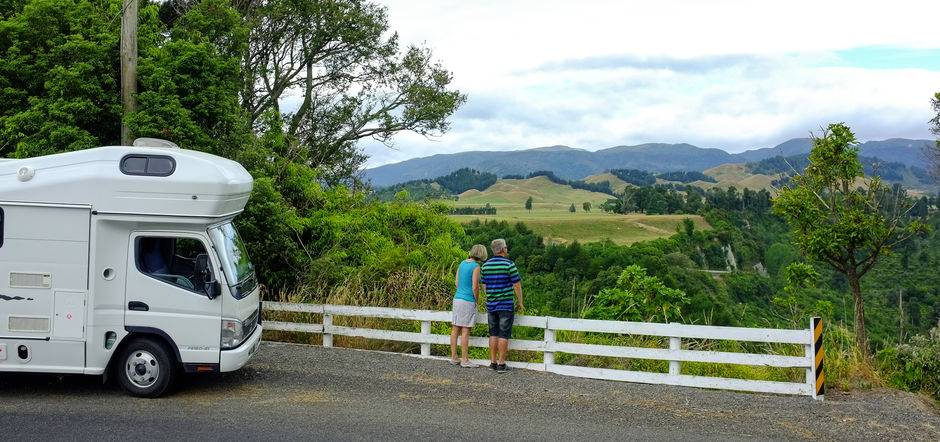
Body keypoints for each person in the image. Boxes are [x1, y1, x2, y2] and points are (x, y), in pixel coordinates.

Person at [479, 238, 523, 373]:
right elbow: (516, 284)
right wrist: (520, 302)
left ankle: (492, 362)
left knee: (493, 333)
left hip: (491, 304)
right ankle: (501, 364)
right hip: (505, 304)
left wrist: (490, 296)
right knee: (504, 334)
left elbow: (484, 285)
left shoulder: (485, 266)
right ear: (503, 249)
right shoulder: (510, 264)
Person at [450, 244, 488, 368]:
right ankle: (465, 360)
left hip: (457, 298)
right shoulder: (476, 267)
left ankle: (454, 357)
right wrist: (476, 301)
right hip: (468, 300)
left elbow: (456, 282)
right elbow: (475, 286)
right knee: (466, 330)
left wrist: (461, 290)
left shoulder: (462, 263)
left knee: (456, 328)